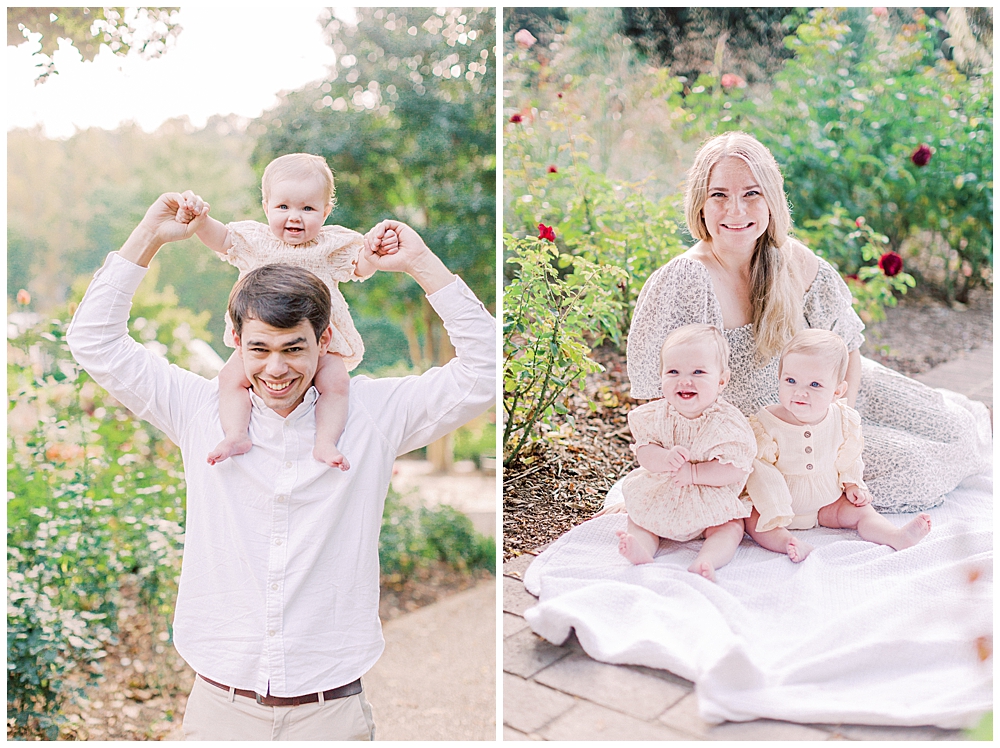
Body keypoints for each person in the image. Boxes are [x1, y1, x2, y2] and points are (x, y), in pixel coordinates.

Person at [66, 192, 495, 741]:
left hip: (331, 712)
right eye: (260, 348)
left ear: (325, 340)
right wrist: (147, 236)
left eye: (293, 349)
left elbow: (484, 372)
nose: (276, 369)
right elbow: (94, 340)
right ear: (237, 342)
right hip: (220, 708)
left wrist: (421, 264)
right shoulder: (199, 411)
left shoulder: (372, 416)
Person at [626, 131, 991, 514]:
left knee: (960, 431)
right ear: (700, 203)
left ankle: (958, 417)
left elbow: (848, 344)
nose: (736, 211)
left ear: (772, 199)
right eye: (719, 195)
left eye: (752, 193)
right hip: (777, 440)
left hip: (836, 402)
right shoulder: (682, 280)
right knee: (918, 467)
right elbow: (657, 397)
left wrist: (839, 426)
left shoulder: (791, 258)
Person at [179, 153, 398, 469]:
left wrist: (373, 252)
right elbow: (222, 239)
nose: (294, 217)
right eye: (283, 207)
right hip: (265, 342)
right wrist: (199, 219)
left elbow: (358, 266)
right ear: (266, 207)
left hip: (318, 341)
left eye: (307, 208)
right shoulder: (255, 240)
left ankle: (324, 441)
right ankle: (237, 433)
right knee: (230, 378)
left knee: (336, 382)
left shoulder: (329, 245)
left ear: (325, 212)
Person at [743, 330, 932, 562]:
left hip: (828, 501)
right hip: (779, 505)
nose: (800, 391)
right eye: (790, 380)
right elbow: (761, 471)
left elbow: (849, 456)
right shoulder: (766, 423)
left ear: (837, 392)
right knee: (752, 517)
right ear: (779, 378)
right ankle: (788, 542)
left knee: (862, 512)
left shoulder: (842, 419)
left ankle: (895, 535)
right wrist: (774, 505)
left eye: (814, 384)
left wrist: (853, 483)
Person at [617, 324, 757, 581]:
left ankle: (707, 559)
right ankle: (641, 547)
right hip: (664, 492)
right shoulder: (656, 415)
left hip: (709, 500)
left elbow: (735, 467)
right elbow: (644, 452)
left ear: (721, 380)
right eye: (673, 371)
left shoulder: (727, 423)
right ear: (661, 376)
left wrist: (693, 472)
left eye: (698, 372)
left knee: (732, 527)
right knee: (639, 517)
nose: (684, 380)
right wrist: (662, 458)